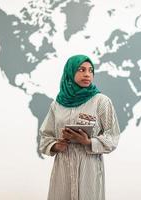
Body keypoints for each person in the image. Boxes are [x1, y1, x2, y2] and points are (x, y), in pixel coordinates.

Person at [39, 54, 120, 200]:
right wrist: (56, 146)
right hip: (63, 167)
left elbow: (113, 136)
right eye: (81, 70)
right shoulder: (57, 104)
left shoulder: (101, 102)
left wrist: (88, 142)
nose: (87, 74)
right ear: (70, 72)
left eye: (90, 70)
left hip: (89, 168)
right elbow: (45, 136)